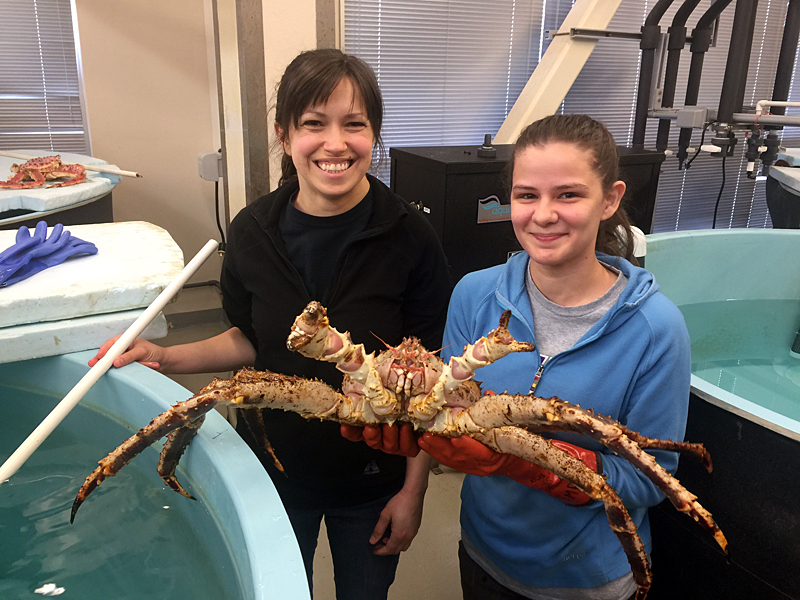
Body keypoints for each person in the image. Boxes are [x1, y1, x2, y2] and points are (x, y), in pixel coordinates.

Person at [89, 48, 451, 600]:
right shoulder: (254, 231)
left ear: (373, 135)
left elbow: (435, 380)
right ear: (285, 135)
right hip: (274, 468)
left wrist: (414, 491)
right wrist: (163, 357)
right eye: (313, 124)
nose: (335, 143)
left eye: (354, 124)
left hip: (376, 477)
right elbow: (247, 338)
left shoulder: (410, 236)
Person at [357, 114, 690, 600]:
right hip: (484, 551)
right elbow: (442, 407)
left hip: (589, 577)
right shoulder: (475, 295)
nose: (543, 214)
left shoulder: (656, 329)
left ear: (611, 199)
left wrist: (523, 461)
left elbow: (651, 478)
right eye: (527, 195)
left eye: (569, 195)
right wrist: (412, 466)